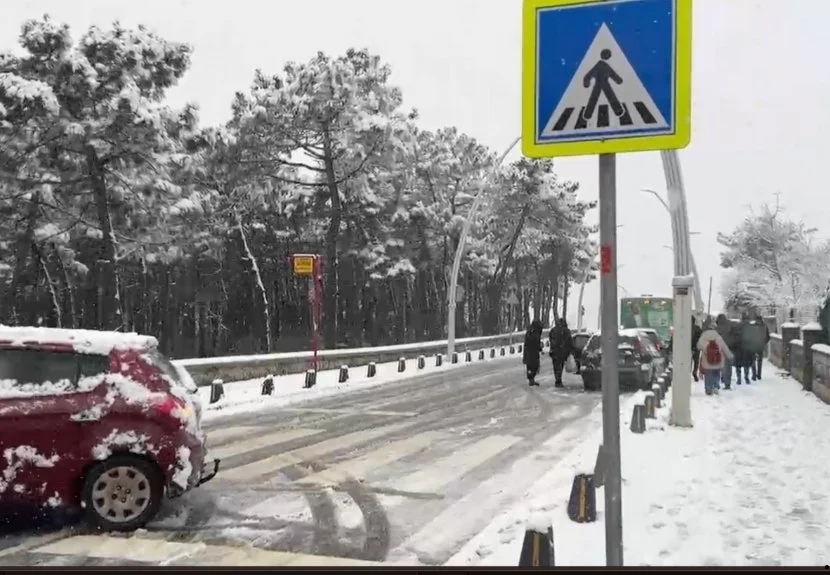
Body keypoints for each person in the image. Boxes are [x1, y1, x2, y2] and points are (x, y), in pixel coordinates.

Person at [696, 317, 733, 395]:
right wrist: (730, 356)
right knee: (716, 374)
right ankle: (716, 386)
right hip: (717, 361)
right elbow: (724, 348)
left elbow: (698, 346)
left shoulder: (703, 337)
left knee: (708, 375)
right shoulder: (718, 337)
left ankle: (708, 389)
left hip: (707, 361)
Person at [716, 314, 740, 389]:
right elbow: (737, 335)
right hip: (729, 348)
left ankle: (720, 380)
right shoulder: (731, 325)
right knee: (727, 367)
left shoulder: (717, 328)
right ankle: (727, 383)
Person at [744, 311, 770, 380]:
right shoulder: (765, 326)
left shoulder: (752, 326)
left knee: (753, 360)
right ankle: (759, 374)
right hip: (761, 346)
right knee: (760, 361)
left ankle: (754, 375)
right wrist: (764, 342)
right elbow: (768, 337)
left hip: (753, 345)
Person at [548, 318, 573, 388]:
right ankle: (558, 380)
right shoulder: (566, 331)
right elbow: (569, 341)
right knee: (560, 366)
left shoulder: (553, 330)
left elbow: (551, 339)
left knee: (555, 366)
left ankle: (557, 379)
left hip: (554, 351)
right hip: (562, 352)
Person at [522, 319, 544, 386]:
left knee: (533, 366)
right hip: (531, 352)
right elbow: (533, 341)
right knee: (532, 366)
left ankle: (531, 379)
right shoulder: (532, 332)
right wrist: (539, 347)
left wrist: (540, 348)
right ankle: (531, 379)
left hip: (532, 352)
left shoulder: (533, 331)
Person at [691, 316, 703, 382]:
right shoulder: (697, 328)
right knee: (696, 361)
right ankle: (695, 371)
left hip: (687, 347)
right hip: (696, 347)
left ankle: (686, 372)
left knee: (687, 361)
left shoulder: (684, 327)